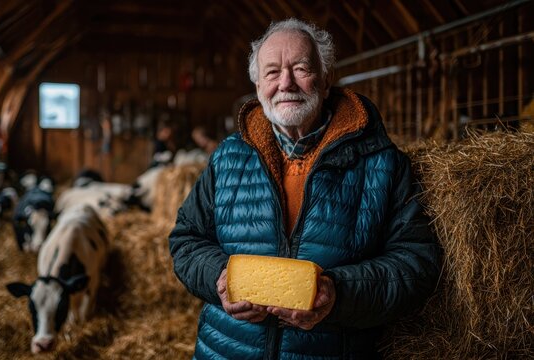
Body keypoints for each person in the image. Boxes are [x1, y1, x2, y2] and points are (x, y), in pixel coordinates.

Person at [169, 18, 441, 359]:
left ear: (325, 81)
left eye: (300, 68)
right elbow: (186, 239)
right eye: (272, 72)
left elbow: (417, 263)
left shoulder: (382, 162)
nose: (286, 83)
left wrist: (338, 295)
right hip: (227, 351)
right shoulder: (227, 158)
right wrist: (218, 279)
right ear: (257, 86)